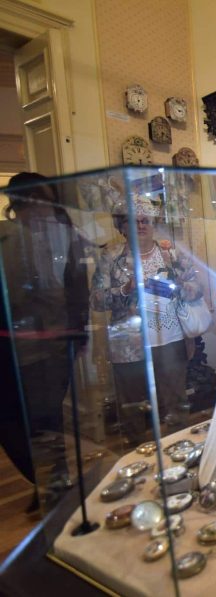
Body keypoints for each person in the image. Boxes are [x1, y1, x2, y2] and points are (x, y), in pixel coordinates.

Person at [0, 172, 90, 507]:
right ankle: (43, 478)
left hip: (50, 344)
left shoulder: (64, 236)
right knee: (13, 421)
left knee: (46, 417)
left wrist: (77, 331)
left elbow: (75, 288)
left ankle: (54, 481)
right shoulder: (7, 237)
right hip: (10, 345)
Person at [91, 195, 201, 442]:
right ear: (122, 226)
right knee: (132, 406)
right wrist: (124, 289)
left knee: (176, 402)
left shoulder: (171, 253)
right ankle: (137, 455)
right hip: (128, 344)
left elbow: (196, 288)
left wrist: (182, 287)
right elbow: (96, 301)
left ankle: (179, 448)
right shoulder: (111, 256)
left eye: (146, 220)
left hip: (170, 339)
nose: (141, 225)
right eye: (134, 220)